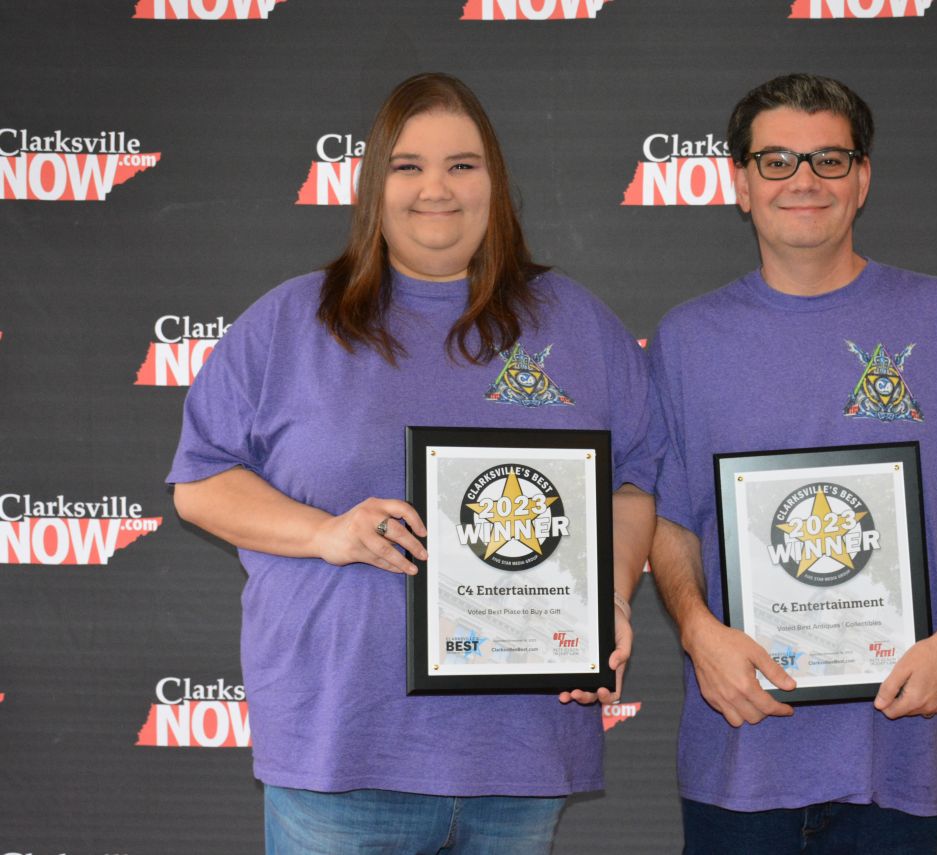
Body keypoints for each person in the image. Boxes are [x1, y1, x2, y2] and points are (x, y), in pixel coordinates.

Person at [169, 72, 656, 854]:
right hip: (343, 750)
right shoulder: (290, 321)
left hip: (521, 754)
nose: (437, 188)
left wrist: (615, 598)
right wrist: (325, 532)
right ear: (373, 186)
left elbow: (633, 481)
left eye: (462, 164)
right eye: (408, 166)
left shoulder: (577, 324)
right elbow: (199, 483)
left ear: (496, 184)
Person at [648, 73, 937, 853]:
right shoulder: (686, 339)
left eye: (829, 159)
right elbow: (666, 517)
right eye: (776, 161)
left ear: (862, 179)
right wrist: (696, 628)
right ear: (740, 183)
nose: (804, 180)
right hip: (741, 753)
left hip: (896, 751)